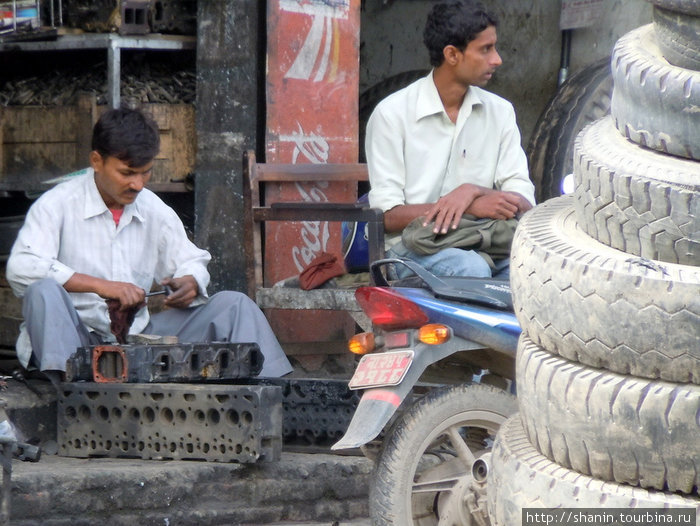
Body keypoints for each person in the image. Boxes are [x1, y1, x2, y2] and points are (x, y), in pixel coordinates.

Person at [6, 107, 293, 381]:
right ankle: (70, 396)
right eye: (127, 173)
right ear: (97, 161)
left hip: (136, 341)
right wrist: (101, 286)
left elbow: (190, 260)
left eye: (146, 172)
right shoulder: (57, 204)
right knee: (43, 291)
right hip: (75, 340)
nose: (138, 184)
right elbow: (22, 267)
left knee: (234, 305)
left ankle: (276, 399)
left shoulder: (152, 208)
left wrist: (190, 282)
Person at [366, 0, 536, 279]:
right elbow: (388, 217)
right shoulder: (392, 114)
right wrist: (467, 206)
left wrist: (473, 190)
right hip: (410, 247)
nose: (497, 59)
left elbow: (524, 202)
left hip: (482, 240)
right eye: (485, 49)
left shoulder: (501, 112)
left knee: (534, 270)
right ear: (452, 55)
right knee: (472, 269)